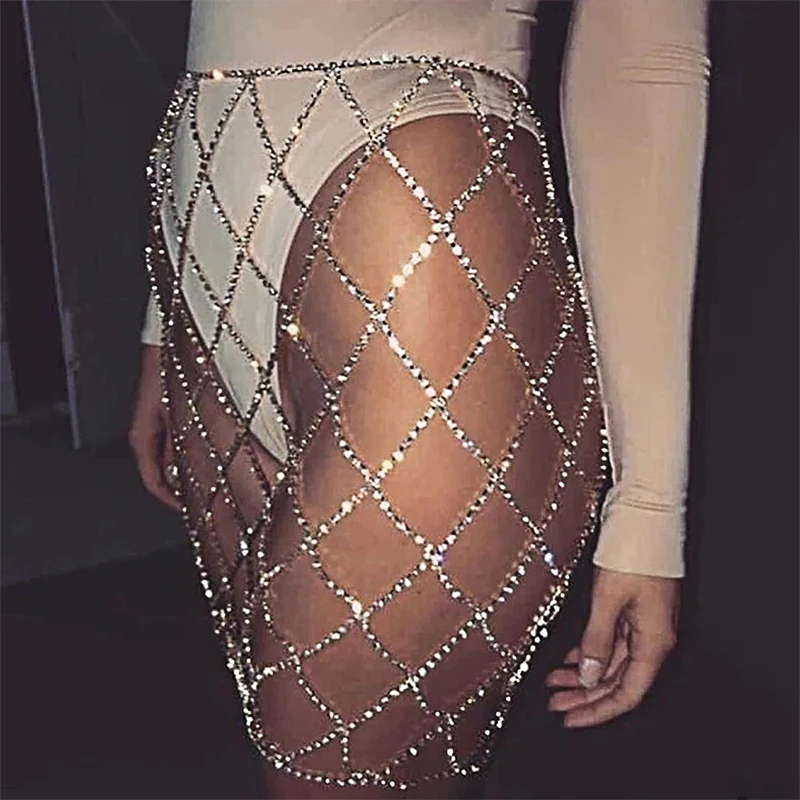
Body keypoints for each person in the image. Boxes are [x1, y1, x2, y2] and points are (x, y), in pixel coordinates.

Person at [129, 1, 709, 797]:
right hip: (206, 240)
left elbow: (642, 52)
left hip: (417, 219)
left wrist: (649, 507)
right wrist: (164, 317)